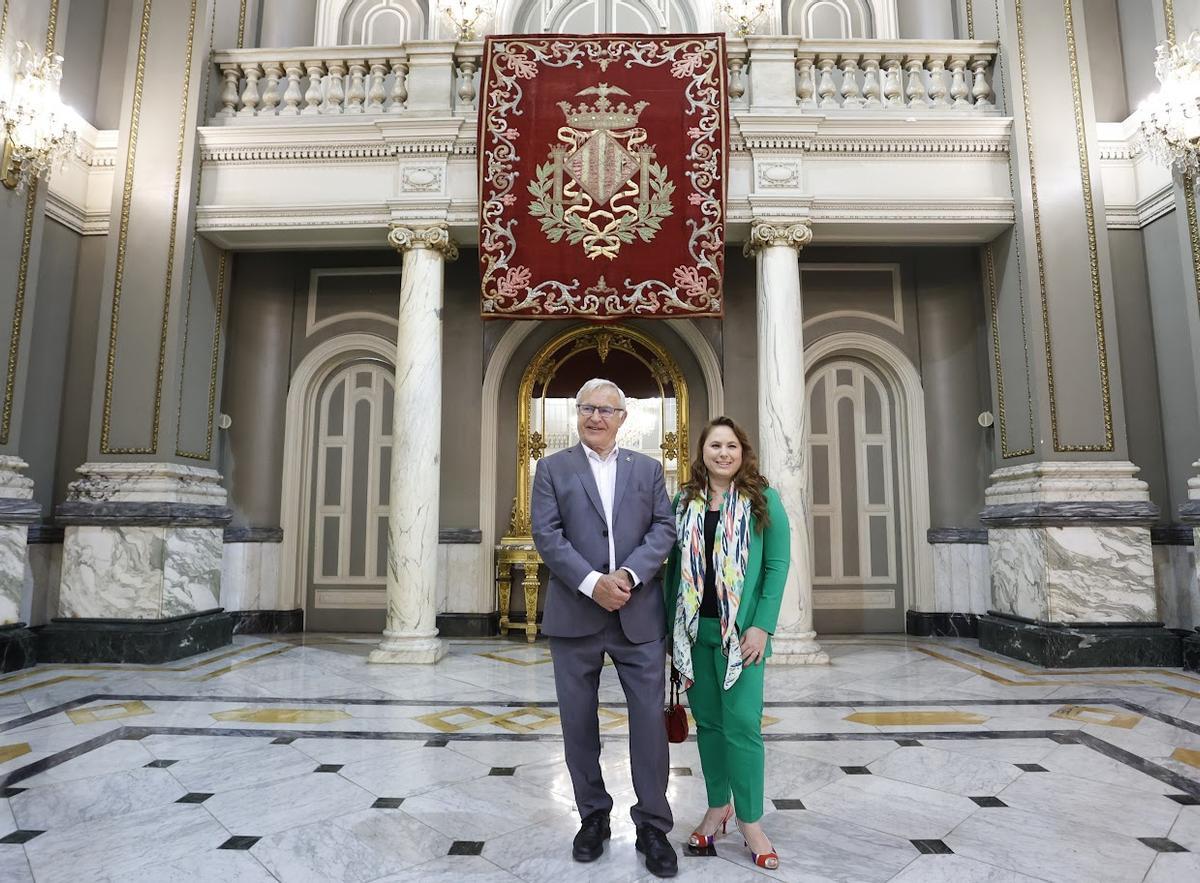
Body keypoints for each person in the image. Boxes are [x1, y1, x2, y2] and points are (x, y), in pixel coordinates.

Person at [531, 378, 679, 878]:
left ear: (623, 418)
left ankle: (653, 825)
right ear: (578, 414)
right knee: (578, 724)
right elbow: (546, 534)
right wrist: (593, 582)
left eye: (606, 410)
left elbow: (664, 528)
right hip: (575, 616)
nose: (596, 417)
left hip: (638, 615)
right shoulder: (552, 468)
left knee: (648, 724)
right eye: (587, 408)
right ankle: (593, 817)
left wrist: (629, 576)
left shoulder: (649, 469)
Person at [663, 416, 788, 871]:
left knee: (743, 729)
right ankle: (719, 808)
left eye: (731, 446)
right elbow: (673, 572)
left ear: (743, 452)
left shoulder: (762, 500)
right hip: (695, 635)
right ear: (702, 452)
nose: (723, 453)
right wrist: (668, 634)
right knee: (711, 727)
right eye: (714, 445)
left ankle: (751, 821)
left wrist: (763, 625)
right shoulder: (685, 500)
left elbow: (777, 566)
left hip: (744, 638)